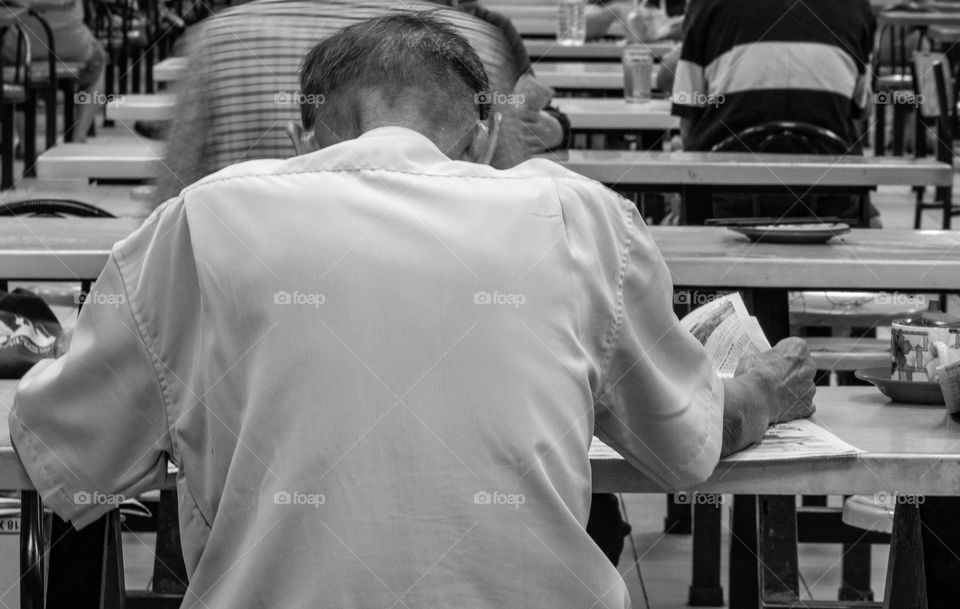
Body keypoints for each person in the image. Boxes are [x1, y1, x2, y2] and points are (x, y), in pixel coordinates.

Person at [11, 13, 816, 608]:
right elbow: (685, 443)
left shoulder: (204, 220)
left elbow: (65, 445)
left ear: (304, 131)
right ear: (485, 129)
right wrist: (760, 393)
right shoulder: (580, 218)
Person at [670, 0, 878, 223]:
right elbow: (862, 109)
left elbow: (688, 123)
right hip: (830, 207)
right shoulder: (856, 7)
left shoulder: (705, 5)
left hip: (725, 205)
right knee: (872, 217)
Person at [2, 0, 107, 143]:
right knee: (98, 62)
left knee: (12, 75)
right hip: (74, 45)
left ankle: (25, 141)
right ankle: (79, 135)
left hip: (22, 47)